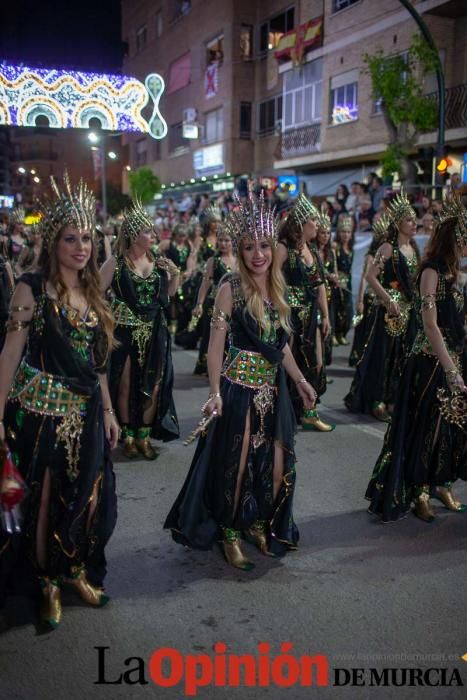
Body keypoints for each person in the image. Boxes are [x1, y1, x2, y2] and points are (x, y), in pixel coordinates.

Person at [165, 192, 317, 569]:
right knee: (237, 461)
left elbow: (280, 348)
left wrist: (299, 380)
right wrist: (215, 391)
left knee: (275, 465)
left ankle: (258, 522)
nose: (258, 254)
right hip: (238, 389)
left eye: (264, 245)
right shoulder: (229, 289)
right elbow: (215, 347)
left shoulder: (276, 289)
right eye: (249, 247)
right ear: (240, 250)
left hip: (273, 390)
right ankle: (230, 531)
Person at [0, 174, 118, 628]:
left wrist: (108, 412)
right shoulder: (30, 288)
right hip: (41, 415)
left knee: (85, 499)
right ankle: (46, 580)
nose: (81, 247)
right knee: (45, 499)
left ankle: (74, 570)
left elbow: (97, 364)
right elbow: (10, 354)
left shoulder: (92, 292)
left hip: (86, 413)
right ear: (53, 242)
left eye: (87, 237)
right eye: (70, 238)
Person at [365, 197, 467, 522]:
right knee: (425, 427)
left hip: (455, 357)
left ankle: (442, 483)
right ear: (456, 240)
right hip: (429, 360)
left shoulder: (455, 273)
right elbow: (429, 323)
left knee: (451, 427)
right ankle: (420, 489)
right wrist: (449, 367)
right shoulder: (431, 272)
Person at [101, 199, 180, 460]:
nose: (154, 236)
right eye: (148, 232)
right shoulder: (117, 262)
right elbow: (96, 294)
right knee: (124, 383)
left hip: (154, 328)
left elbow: (166, 299)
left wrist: (175, 277)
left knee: (153, 383)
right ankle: (128, 436)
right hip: (124, 329)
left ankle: (145, 435)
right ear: (135, 235)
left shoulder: (158, 262)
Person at [345, 192, 420, 421]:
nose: (414, 223)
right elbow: (370, 276)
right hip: (388, 312)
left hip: (408, 311)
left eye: (415, 218)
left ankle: (393, 399)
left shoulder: (414, 249)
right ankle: (377, 400)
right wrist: (389, 300)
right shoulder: (388, 248)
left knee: (402, 357)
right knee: (383, 355)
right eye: (409, 219)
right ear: (398, 223)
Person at [276, 194, 334, 431]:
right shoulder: (283, 248)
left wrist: (326, 315)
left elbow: (319, 284)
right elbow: (272, 280)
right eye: (313, 219)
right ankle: (285, 412)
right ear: (300, 223)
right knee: (291, 365)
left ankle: (309, 412)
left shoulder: (311, 249)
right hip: (289, 316)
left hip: (310, 316)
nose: (317, 224)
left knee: (316, 363)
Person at [191, 225, 238, 376]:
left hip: (235, 304)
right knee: (212, 335)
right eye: (221, 240)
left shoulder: (239, 260)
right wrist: (199, 304)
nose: (224, 244)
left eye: (227, 240)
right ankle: (210, 367)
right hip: (215, 304)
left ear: (233, 242)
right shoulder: (214, 261)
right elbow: (205, 283)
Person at [349, 214, 390, 367]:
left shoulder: (389, 255)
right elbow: (364, 279)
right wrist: (359, 301)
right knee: (366, 331)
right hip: (370, 300)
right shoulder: (371, 257)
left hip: (381, 300)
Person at [334, 215, 354, 345]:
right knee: (336, 309)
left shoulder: (351, 249)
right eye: (343, 232)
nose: (346, 235)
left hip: (347, 283)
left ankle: (342, 333)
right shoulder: (335, 247)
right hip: (337, 283)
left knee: (347, 310)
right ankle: (334, 334)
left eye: (348, 232)